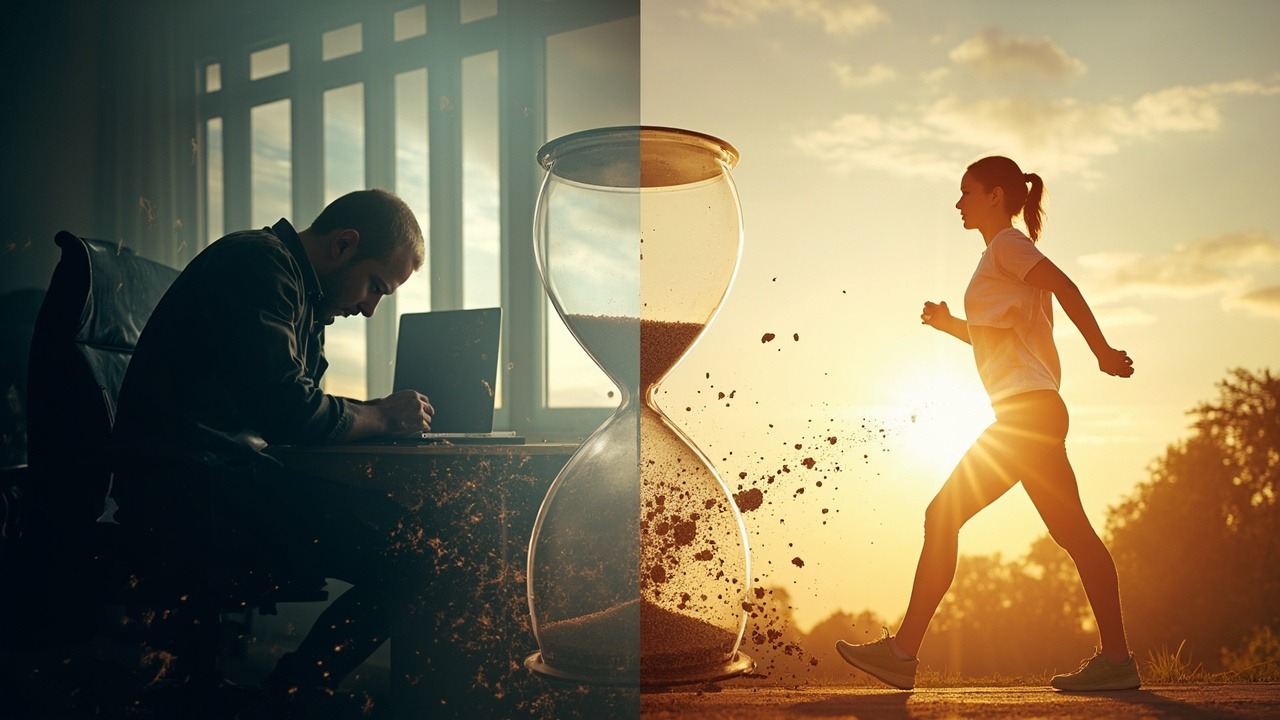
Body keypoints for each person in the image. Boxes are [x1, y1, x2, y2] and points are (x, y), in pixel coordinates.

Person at [110, 189, 435, 706]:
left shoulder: (302, 292)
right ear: (344, 245)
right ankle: (292, 696)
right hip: (190, 482)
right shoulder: (256, 263)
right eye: (375, 286)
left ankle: (290, 693)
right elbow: (288, 411)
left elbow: (293, 409)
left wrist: (375, 412)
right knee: (414, 559)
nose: (371, 309)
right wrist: (379, 416)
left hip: (216, 473)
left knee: (405, 536)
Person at [835, 156, 1140, 692]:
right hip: (1033, 412)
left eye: (967, 192)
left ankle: (903, 653)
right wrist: (949, 323)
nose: (958, 203)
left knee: (942, 513)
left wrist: (1102, 351)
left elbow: (1066, 286)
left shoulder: (1007, 247)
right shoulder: (999, 259)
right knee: (1075, 536)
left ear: (995, 195)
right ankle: (1117, 662)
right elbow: (998, 339)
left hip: (1027, 414)